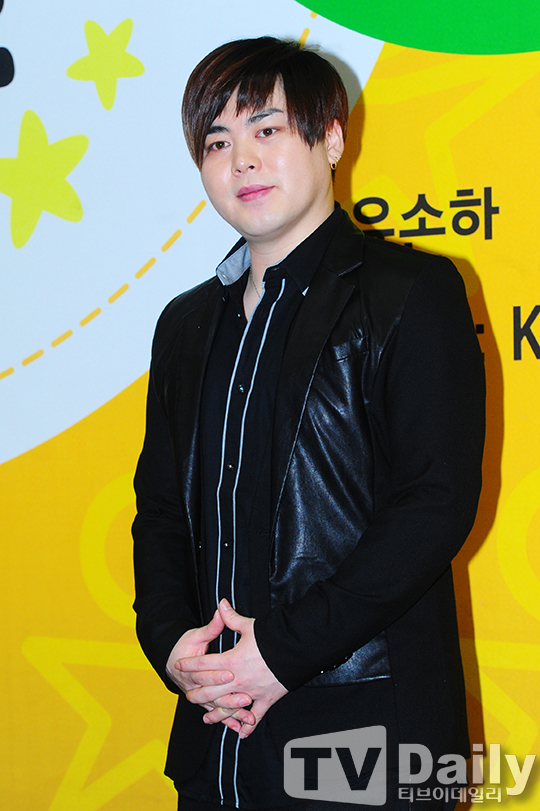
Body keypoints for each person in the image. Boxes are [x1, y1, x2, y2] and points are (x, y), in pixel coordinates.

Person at [132, 36, 485, 811]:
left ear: (330, 138)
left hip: (367, 734)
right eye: (217, 142)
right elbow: (159, 509)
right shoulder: (185, 325)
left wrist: (278, 654)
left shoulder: (410, 292)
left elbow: (435, 504)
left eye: (267, 129)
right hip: (216, 740)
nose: (242, 160)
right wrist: (171, 643)